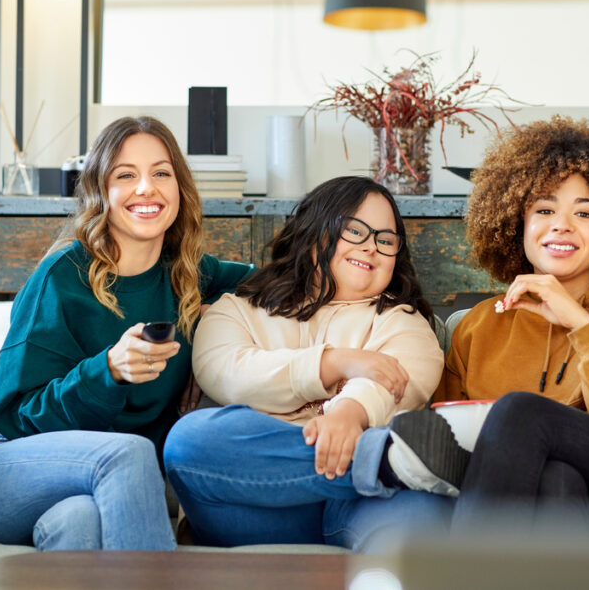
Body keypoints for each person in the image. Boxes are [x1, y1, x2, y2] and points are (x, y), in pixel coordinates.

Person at [0, 116, 253, 550]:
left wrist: (219, 323)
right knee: (127, 450)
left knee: (79, 523)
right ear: (100, 191)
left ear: (179, 189)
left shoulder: (189, 276)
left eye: (161, 173)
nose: (147, 188)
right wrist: (107, 370)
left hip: (84, 490)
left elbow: (280, 286)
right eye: (126, 175)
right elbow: (16, 416)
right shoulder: (61, 277)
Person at [386, 115, 589, 525]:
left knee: (522, 411)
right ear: (518, 222)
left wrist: (581, 326)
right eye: (544, 208)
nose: (561, 224)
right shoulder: (480, 326)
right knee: (557, 478)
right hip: (544, 509)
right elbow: (453, 446)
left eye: (585, 213)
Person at [162, 176, 452, 551]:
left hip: (358, 504)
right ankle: (385, 462)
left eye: (385, 239)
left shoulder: (404, 322)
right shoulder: (234, 311)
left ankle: (382, 467)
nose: (371, 248)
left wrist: (351, 412)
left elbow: (396, 379)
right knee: (190, 441)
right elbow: (228, 373)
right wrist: (336, 363)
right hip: (255, 501)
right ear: (314, 232)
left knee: (421, 513)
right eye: (355, 231)